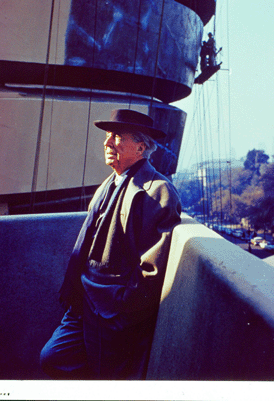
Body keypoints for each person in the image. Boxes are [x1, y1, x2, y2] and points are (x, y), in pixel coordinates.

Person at [40, 109, 182, 380]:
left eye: (116, 137)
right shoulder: (108, 184)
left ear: (141, 146)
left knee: (107, 377)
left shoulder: (157, 191)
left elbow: (152, 270)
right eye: (107, 136)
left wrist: (120, 310)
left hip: (112, 309)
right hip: (84, 300)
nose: (107, 143)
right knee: (53, 357)